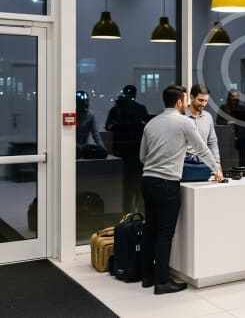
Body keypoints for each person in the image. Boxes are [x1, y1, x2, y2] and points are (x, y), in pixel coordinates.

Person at [139, 85, 223, 295]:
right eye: (185, 99)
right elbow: (202, 149)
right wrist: (216, 169)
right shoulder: (184, 122)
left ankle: (147, 276)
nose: (186, 103)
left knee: (150, 228)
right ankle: (162, 282)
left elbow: (142, 156)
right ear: (179, 102)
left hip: (147, 180)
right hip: (167, 182)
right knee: (165, 233)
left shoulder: (151, 123)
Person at [106, 85, 149, 213]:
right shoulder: (138, 109)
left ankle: (129, 213)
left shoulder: (117, 109)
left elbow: (109, 126)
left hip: (125, 152)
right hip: (134, 151)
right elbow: (146, 127)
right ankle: (137, 213)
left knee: (128, 186)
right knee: (135, 185)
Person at [185, 84, 220, 167]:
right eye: (200, 100)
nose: (203, 104)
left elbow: (212, 142)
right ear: (192, 97)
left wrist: (217, 164)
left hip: (204, 164)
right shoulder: (181, 117)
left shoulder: (208, 117)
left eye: (206, 101)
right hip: (184, 164)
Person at [76, 90, 106, 156]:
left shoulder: (90, 115)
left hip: (84, 147)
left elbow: (95, 133)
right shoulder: (71, 115)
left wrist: (102, 148)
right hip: (73, 147)